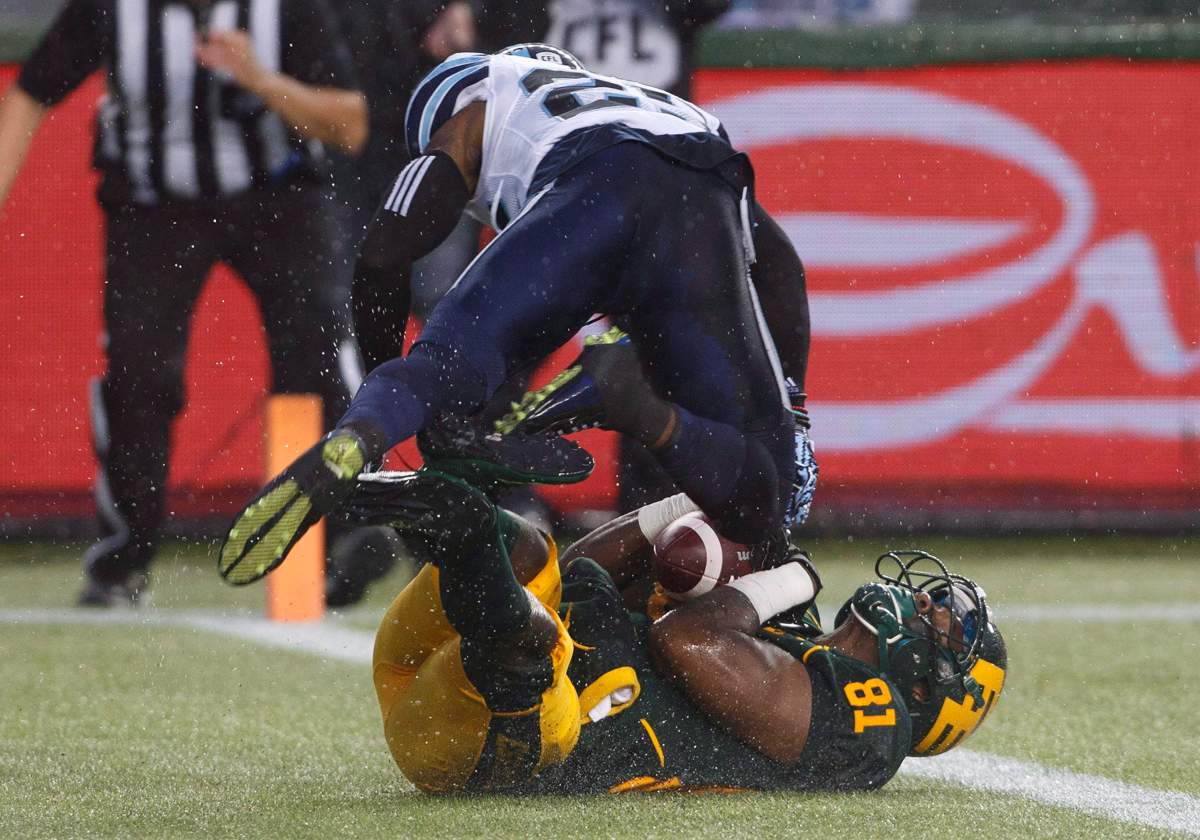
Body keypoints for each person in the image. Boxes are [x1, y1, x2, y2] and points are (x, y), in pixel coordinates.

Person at [218, 45, 814, 585]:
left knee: (442, 365)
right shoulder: (656, 105)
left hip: (590, 190)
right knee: (766, 496)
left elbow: (382, 255)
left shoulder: (488, 94)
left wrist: (383, 395)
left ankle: (352, 441)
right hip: (702, 192)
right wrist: (792, 401)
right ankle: (634, 404)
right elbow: (782, 267)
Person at [0, 0, 368, 605]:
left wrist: (261, 79)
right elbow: (31, 91)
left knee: (317, 359)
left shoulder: (286, 9)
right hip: (155, 206)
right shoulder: (113, 10)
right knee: (140, 375)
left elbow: (350, 125)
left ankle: (327, 548)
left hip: (277, 198)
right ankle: (122, 562)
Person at [345, 468, 1007, 793]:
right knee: (537, 560)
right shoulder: (792, 633)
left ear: (933, 688)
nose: (919, 602)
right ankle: (447, 515)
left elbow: (688, 642)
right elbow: (580, 569)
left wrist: (786, 582)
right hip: (430, 665)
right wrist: (696, 499)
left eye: (940, 620)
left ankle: (461, 531)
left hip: (507, 738)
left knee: (534, 640)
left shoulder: (877, 725)